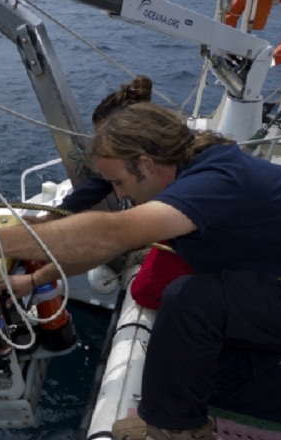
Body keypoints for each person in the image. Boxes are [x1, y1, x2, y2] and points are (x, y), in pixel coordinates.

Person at [0, 102, 281, 440]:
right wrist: (37, 279)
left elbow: (115, 232)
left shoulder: (215, 180)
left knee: (191, 299)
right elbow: (109, 242)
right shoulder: (192, 169)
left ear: (146, 163)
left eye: (118, 182)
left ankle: (174, 427)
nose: (117, 194)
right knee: (200, 381)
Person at [13, 74, 192, 304]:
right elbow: (97, 188)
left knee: (143, 290)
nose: (118, 192)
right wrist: (52, 216)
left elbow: (109, 241)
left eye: (107, 139)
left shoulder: (184, 190)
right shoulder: (164, 164)